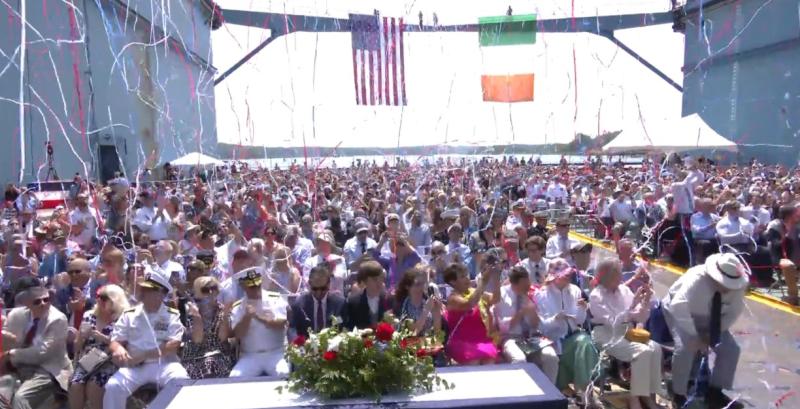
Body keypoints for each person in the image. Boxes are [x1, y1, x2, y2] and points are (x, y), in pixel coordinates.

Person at [661, 253, 747, 409]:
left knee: (731, 350)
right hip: (682, 314)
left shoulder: (739, 284)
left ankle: (715, 391)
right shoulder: (696, 279)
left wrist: (712, 334)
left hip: (714, 320)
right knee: (686, 348)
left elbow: (734, 312)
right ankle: (678, 392)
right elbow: (678, 306)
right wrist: (695, 336)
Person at [103, 270, 188, 409]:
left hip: (164, 364)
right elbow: (116, 340)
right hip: (135, 367)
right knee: (114, 386)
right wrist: (118, 349)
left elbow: (173, 345)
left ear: (161, 294)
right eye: (143, 288)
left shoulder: (171, 315)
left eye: (148, 290)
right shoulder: (129, 314)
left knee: (180, 380)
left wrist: (143, 356)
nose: (142, 292)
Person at [589, 260, 663, 409]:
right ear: (607, 277)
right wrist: (632, 306)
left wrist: (645, 302)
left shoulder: (624, 290)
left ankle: (649, 396)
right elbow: (612, 322)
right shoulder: (596, 296)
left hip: (626, 333)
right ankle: (634, 398)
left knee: (655, 348)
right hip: (606, 335)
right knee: (642, 352)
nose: (620, 277)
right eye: (617, 274)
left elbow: (640, 318)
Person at [0, 280, 72, 409]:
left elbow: (42, 353)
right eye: (37, 301)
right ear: (27, 304)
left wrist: (12, 353)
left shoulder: (57, 319)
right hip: (18, 368)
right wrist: (7, 340)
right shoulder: (16, 316)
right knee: (2, 395)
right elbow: (7, 344)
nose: (43, 304)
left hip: (48, 370)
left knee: (21, 397)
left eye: (46, 300)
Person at [534, 258, 598, 403]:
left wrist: (582, 308)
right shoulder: (542, 295)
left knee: (584, 343)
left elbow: (580, 321)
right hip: (554, 340)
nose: (568, 277)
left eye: (569, 274)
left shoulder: (575, 290)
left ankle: (585, 390)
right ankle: (585, 391)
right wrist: (556, 319)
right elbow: (542, 326)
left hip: (574, 335)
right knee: (584, 344)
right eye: (564, 275)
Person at [494, 266, 559, 383]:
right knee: (519, 360)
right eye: (524, 285)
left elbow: (537, 325)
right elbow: (504, 328)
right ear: (514, 284)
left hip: (532, 338)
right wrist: (521, 312)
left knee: (551, 357)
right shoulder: (502, 295)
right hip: (511, 338)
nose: (528, 287)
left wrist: (532, 311)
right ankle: (522, 397)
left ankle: (550, 395)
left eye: (528, 283)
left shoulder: (533, 293)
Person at [69, 284, 129, 409]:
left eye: (104, 297)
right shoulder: (89, 316)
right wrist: (81, 336)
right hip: (89, 359)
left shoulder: (123, 319)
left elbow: (124, 345)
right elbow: (76, 347)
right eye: (98, 296)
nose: (99, 300)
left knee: (94, 386)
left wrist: (99, 336)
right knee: (75, 385)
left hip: (110, 360)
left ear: (115, 300)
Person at [229, 270, 289, 377]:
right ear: (243, 286)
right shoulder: (238, 307)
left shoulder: (275, 298)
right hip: (250, 356)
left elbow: (282, 323)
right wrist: (247, 317)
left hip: (275, 353)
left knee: (283, 373)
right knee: (235, 376)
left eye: (258, 285)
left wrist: (259, 317)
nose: (256, 289)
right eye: (252, 287)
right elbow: (237, 335)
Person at [443, 259, 500, 366]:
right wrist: (483, 281)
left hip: (482, 340)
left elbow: (495, 299)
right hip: (462, 342)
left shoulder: (474, 292)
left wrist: (496, 279)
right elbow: (469, 303)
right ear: (453, 282)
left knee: (489, 362)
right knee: (473, 361)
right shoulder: (453, 298)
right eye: (462, 276)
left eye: (467, 275)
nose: (467, 278)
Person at [181, 276, 234, 379]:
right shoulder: (192, 311)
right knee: (208, 364)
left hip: (220, 355)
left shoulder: (222, 310)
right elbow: (198, 340)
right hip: (195, 357)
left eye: (213, 288)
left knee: (212, 363)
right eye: (205, 289)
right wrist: (197, 317)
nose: (210, 292)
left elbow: (222, 337)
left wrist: (225, 315)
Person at [289, 265, 346, 338]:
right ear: (309, 284)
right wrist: (297, 343)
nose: (319, 293)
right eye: (315, 289)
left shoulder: (339, 304)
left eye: (323, 288)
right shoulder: (299, 304)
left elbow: (344, 327)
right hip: (307, 346)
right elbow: (292, 329)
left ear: (329, 284)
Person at [394, 267, 443, 337]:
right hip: (409, 345)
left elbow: (437, 332)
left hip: (428, 344)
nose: (421, 287)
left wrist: (437, 312)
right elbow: (413, 333)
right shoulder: (402, 305)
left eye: (423, 284)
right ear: (407, 286)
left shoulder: (427, 301)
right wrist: (426, 310)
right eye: (417, 284)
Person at [344, 261, 391, 330]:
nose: (379, 283)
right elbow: (350, 327)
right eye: (374, 279)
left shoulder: (389, 299)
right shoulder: (353, 302)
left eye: (381, 278)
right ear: (365, 281)